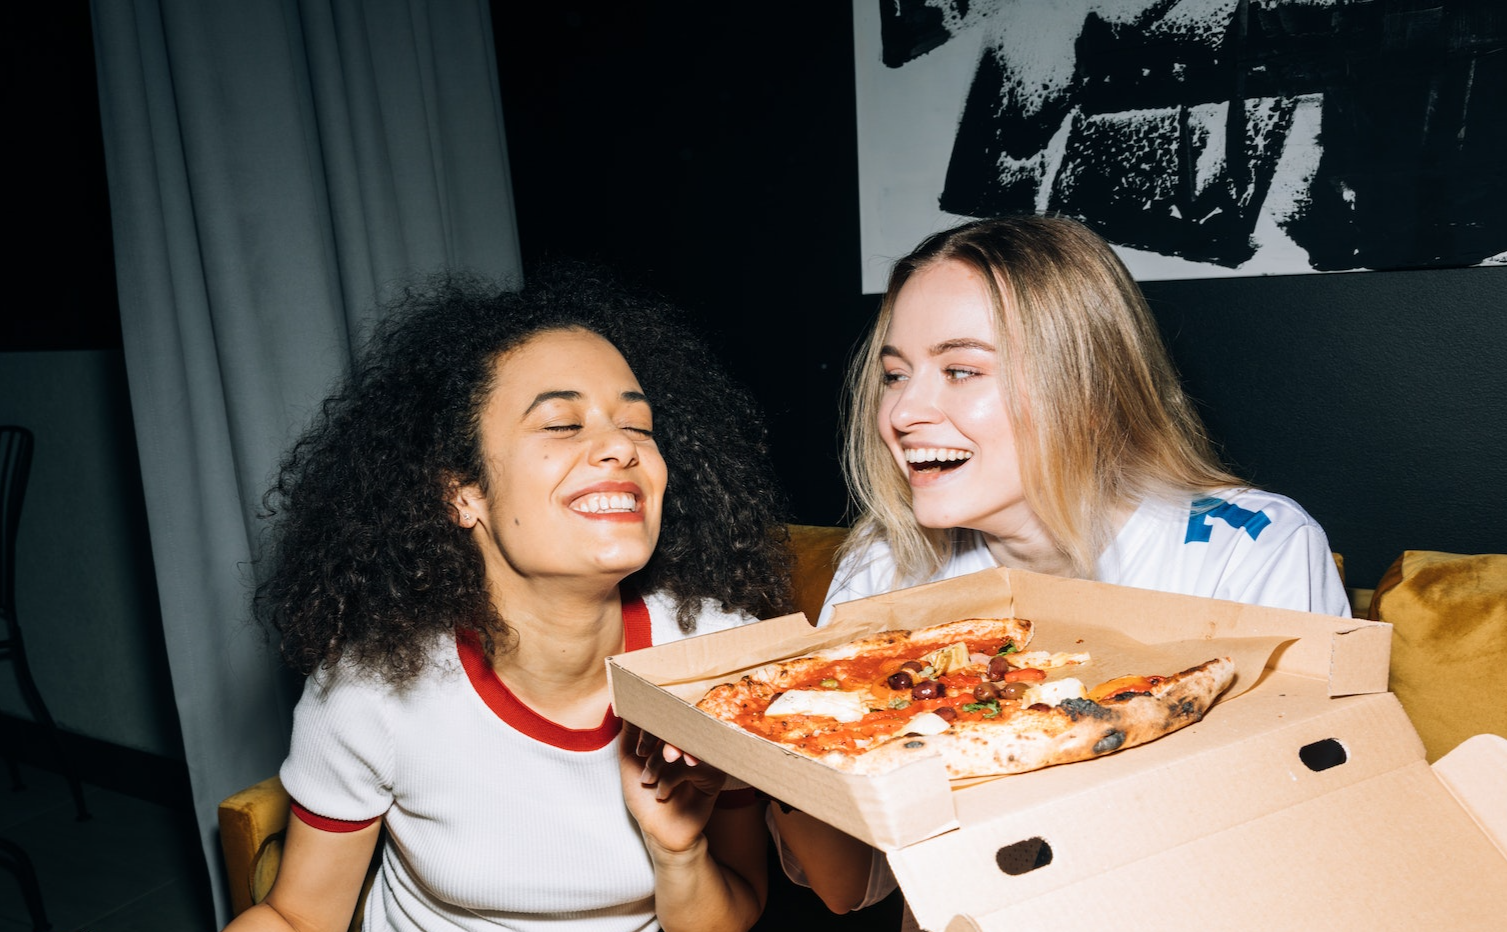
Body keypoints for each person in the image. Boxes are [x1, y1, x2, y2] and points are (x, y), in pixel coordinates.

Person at [769, 214, 1350, 926]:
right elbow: (845, 886)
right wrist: (762, 755)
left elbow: (1306, 843)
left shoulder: (1250, 550)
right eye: (895, 375)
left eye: (960, 370)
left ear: (1086, 386)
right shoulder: (884, 561)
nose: (903, 411)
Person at [227, 263, 792, 932]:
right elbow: (297, 917)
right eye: (561, 424)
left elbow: (740, 908)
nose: (620, 447)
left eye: (639, 427)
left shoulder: (726, 662)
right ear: (463, 492)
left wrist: (679, 853)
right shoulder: (373, 687)